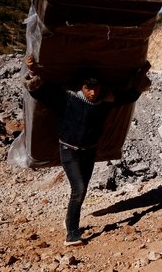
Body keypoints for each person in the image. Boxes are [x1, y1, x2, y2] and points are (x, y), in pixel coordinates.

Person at [23, 54, 151, 246]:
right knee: (79, 188)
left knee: (81, 191)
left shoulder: (106, 100)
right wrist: (32, 70)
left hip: (89, 152)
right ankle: (72, 233)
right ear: (81, 87)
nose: (92, 92)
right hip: (69, 151)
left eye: (96, 87)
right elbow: (40, 91)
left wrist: (142, 73)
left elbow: (130, 95)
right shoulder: (67, 98)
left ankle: (69, 222)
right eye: (88, 88)